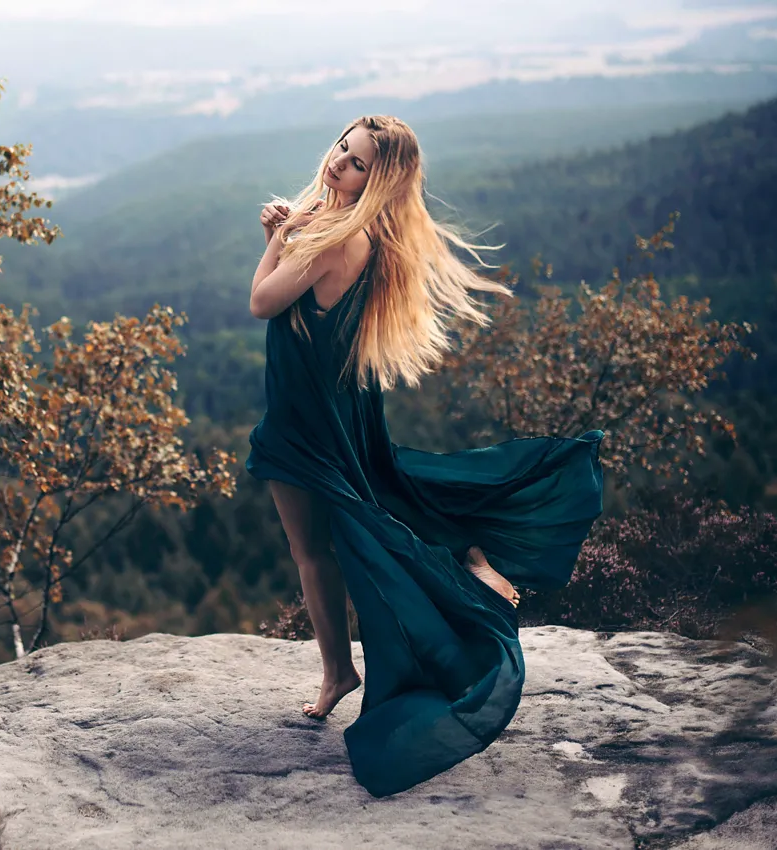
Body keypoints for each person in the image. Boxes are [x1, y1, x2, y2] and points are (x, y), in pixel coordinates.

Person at [246, 115, 606, 798]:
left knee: (318, 550)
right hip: (334, 409)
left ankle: (346, 667)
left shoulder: (335, 236)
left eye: (356, 163)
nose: (338, 163)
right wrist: (291, 232)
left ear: (377, 180)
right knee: (376, 511)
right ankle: (459, 560)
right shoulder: (358, 233)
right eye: (342, 149)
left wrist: (275, 240)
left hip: (304, 419)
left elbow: (263, 301)